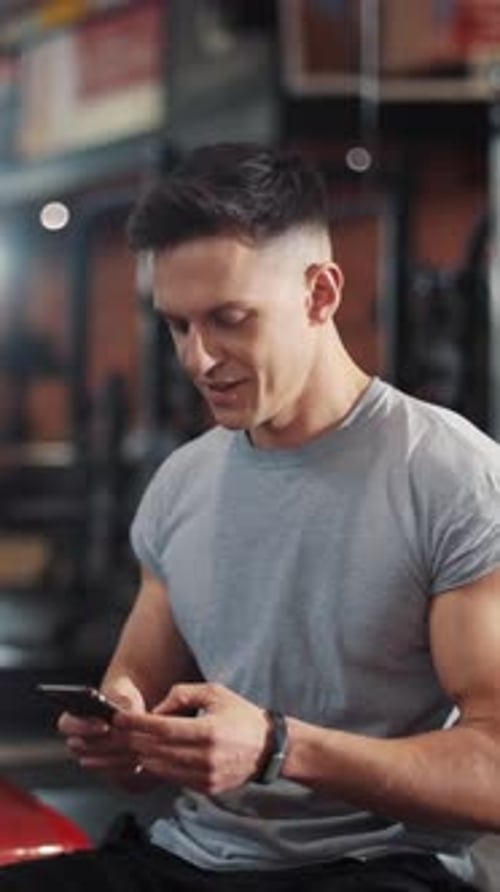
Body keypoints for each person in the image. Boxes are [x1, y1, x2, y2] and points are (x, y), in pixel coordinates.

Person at [1, 143, 499, 892]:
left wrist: (276, 746)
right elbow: (134, 734)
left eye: (230, 320)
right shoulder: (182, 485)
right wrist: (126, 742)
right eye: (177, 326)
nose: (199, 359)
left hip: (379, 867)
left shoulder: (450, 475)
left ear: (321, 294)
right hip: (196, 857)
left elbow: (493, 773)